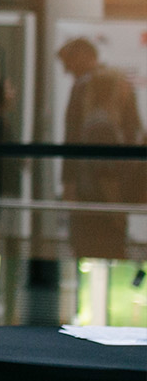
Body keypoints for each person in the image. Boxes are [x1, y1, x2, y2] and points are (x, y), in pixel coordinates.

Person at [57, 36, 145, 262]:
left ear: (84, 56)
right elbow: (134, 130)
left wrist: (69, 185)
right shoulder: (121, 82)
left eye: (69, 62)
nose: (67, 70)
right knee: (113, 242)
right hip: (116, 185)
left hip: (87, 184)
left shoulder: (83, 86)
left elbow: (72, 139)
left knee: (87, 244)